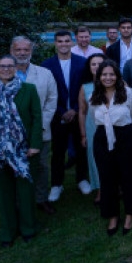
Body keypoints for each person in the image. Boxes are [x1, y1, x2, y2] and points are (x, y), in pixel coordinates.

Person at [0, 54, 44, 246]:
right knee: (3, 193)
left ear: (15, 68)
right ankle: (9, 231)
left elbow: (37, 119)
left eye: (10, 66)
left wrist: (35, 145)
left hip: (24, 151)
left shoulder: (28, 90)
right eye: (2, 66)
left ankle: (28, 228)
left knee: (25, 191)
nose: (6, 69)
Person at [0, 37, 57, 215]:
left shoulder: (45, 73)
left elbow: (51, 101)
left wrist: (39, 127)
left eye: (26, 50)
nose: (22, 53)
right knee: (12, 167)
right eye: (18, 50)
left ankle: (41, 198)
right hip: (8, 135)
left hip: (39, 131)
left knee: (42, 166)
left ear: (31, 51)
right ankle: (16, 202)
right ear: (11, 51)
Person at [88, 60, 132, 236]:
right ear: (99, 77)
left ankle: (130, 214)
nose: (108, 77)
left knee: (129, 176)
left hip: (126, 137)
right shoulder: (94, 95)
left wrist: (128, 136)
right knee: (107, 178)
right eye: (104, 74)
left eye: (111, 74)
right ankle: (112, 215)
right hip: (102, 139)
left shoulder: (128, 93)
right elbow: (93, 117)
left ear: (117, 76)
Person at [41, 30, 89, 202]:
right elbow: (46, 93)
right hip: (57, 115)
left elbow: (86, 88)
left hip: (79, 113)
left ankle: (82, 179)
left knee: (81, 148)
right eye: (60, 41)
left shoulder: (82, 63)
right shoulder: (46, 65)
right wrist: (62, 112)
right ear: (55, 43)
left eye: (66, 41)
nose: (63, 44)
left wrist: (75, 109)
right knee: (58, 152)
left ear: (72, 42)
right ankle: (56, 184)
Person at [77, 53, 106, 203]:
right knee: (96, 159)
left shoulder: (116, 82)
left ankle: (116, 185)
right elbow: (82, 112)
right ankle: (100, 189)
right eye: (93, 64)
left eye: (100, 63)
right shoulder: (85, 87)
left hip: (112, 127)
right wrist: (83, 135)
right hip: (92, 128)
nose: (97, 67)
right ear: (89, 67)